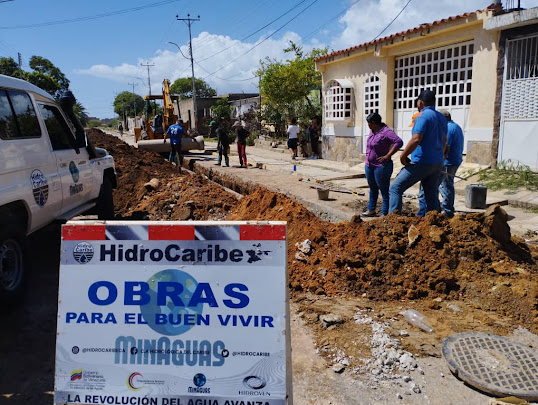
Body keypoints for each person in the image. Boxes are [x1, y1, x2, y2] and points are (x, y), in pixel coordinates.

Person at [388, 89, 448, 214]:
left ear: (420, 103)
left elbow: (416, 139)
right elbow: (444, 140)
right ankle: (434, 223)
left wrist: (403, 155)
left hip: (422, 162)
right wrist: (440, 157)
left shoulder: (422, 116)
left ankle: (392, 222)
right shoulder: (441, 117)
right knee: (430, 194)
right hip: (437, 162)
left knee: (395, 188)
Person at [416, 110, 464, 217]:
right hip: (455, 160)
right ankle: (440, 209)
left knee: (444, 187)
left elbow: (445, 149)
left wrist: (438, 163)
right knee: (444, 186)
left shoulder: (448, 128)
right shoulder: (455, 126)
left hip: (448, 162)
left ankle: (447, 212)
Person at [362, 112, 403, 217]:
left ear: (375, 123)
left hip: (381, 167)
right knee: (373, 188)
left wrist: (388, 155)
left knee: (384, 190)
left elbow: (398, 142)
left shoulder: (386, 132)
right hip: (369, 165)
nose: (369, 126)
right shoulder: (372, 131)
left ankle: (385, 213)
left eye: (369, 123)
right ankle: (371, 209)